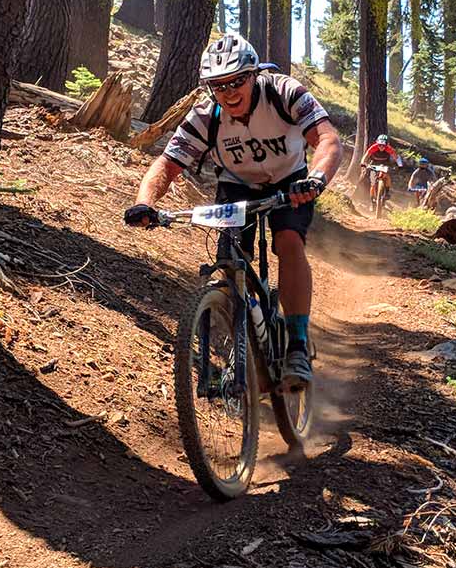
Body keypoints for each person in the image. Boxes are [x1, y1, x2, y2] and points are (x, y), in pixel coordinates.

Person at [123, 33, 344, 389]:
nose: (228, 92)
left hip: (290, 182)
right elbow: (167, 164)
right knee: (228, 262)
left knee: (288, 241)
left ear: (254, 74)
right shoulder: (205, 116)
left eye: (237, 81)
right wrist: (145, 202)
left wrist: (316, 179)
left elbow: (328, 139)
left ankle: (298, 344)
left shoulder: (284, 92)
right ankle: (237, 348)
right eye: (218, 85)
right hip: (236, 185)